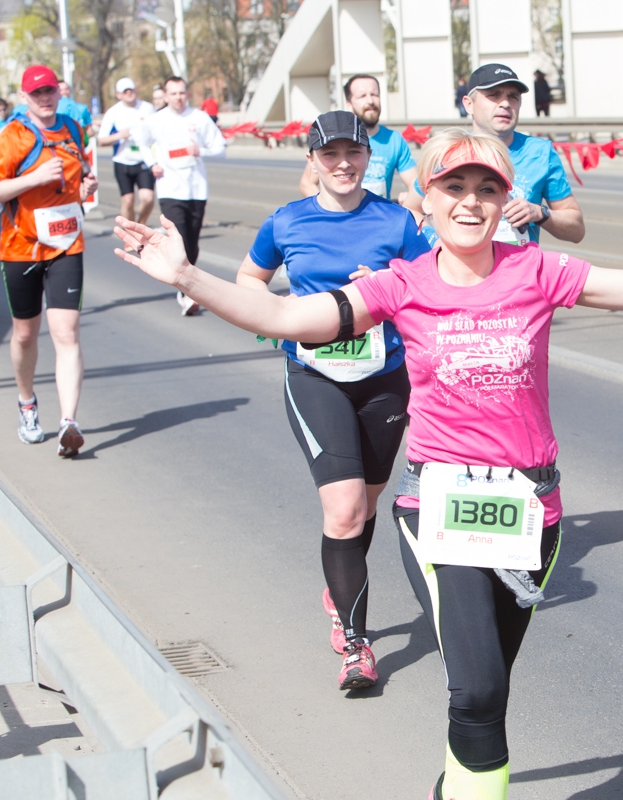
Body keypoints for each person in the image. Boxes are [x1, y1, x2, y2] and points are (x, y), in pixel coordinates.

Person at [114, 128, 623, 800]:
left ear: (505, 200)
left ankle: (459, 785)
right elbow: (286, 316)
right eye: (454, 187)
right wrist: (187, 277)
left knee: (490, 688)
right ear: (426, 199)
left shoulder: (535, 270)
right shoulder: (401, 284)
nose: (470, 202)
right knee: (473, 692)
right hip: (437, 513)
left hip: (532, 515)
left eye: (486, 188)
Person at [235, 110, 429, 689]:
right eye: (330, 154)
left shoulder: (396, 220)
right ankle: (355, 642)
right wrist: (280, 319)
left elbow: (430, 289)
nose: (343, 164)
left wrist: (387, 287)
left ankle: (340, 581)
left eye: (354, 153)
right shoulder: (287, 221)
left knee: (365, 506)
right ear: (313, 160)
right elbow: (249, 280)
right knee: (343, 511)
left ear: (369, 157)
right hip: (315, 375)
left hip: (384, 377)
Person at [0, 64, 98, 457]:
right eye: (37, 94)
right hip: (21, 248)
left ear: (58, 92)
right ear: (24, 98)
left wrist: (86, 187)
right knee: (26, 335)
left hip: (67, 244)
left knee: (67, 333)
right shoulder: (11, 136)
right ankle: (27, 403)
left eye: (49, 91)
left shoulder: (72, 128)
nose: (45, 99)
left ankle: (68, 422)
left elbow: (78, 176)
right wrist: (34, 177)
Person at [404, 63, 585, 247]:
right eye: (494, 95)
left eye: (513, 97)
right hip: (458, 265)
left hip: (518, 265)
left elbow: (577, 230)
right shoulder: (448, 150)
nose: (505, 103)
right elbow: (411, 209)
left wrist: (539, 213)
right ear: (468, 104)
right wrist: (434, 241)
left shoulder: (541, 153)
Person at [136, 75, 225, 316]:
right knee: (181, 240)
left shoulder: (199, 118)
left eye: (181, 93)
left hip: (196, 189)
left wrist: (200, 150)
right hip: (170, 189)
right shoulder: (156, 120)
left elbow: (220, 148)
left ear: (187, 94)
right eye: (173, 93)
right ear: (165, 96)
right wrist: (152, 164)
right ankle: (186, 292)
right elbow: (142, 143)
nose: (178, 97)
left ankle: (186, 284)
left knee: (193, 244)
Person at [299, 74, 417, 203]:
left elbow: (415, 184)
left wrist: (409, 200)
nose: (370, 101)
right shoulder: (334, 139)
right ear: (349, 104)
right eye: (362, 96)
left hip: (378, 214)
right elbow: (307, 183)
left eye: (374, 94)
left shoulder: (394, 140)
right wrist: (331, 208)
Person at [97, 77, 157, 226]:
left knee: (148, 198)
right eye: (125, 91)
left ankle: (141, 224)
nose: (129, 93)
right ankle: (131, 230)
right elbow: (101, 140)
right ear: (119, 95)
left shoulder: (147, 108)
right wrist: (119, 136)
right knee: (128, 200)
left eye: (131, 90)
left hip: (144, 160)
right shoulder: (113, 112)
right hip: (122, 160)